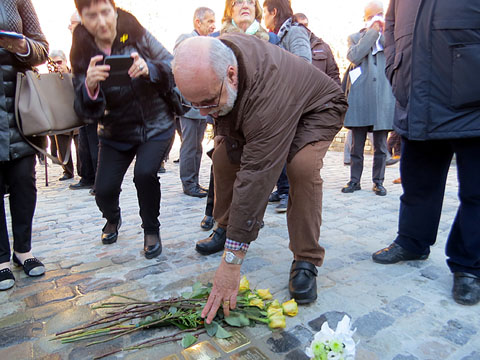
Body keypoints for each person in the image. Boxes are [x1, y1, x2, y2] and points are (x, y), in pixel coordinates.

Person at [173, 35, 347, 321]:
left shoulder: (267, 95)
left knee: (301, 167)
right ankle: (225, 227)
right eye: (194, 104)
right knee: (222, 157)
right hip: (264, 106)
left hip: (316, 109)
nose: (203, 113)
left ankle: (305, 258)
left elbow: (257, 176)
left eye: (207, 102)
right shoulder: (214, 57)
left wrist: (232, 262)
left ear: (231, 75)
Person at [372, 0, 480, 306]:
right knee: (418, 182)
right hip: (417, 96)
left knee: (476, 192)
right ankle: (412, 241)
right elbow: (391, 28)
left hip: (474, 99)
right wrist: (395, 67)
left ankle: (469, 265)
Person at [71, 0, 174, 259]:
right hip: (115, 131)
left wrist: (149, 68)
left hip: (155, 124)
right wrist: (90, 87)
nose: (102, 21)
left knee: (145, 174)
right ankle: (112, 218)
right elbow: (81, 106)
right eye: (92, 16)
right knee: (103, 190)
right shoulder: (82, 47)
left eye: (106, 12)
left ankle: (151, 229)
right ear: (82, 18)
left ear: (114, 10)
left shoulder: (135, 31)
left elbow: (172, 64)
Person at [196, 0, 278, 246]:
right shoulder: (217, 40)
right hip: (230, 119)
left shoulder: (271, 40)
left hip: (263, 118)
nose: (245, 5)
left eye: (250, 1)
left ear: (257, 8)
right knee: (221, 163)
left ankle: (247, 222)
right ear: (229, 9)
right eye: (238, 1)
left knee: (256, 170)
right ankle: (222, 226)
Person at [0, 0, 48, 291]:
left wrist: (19, 47)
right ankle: (1, 259)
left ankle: (23, 250)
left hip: (20, 110)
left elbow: (41, 47)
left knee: (23, 182)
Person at [340, 1, 394, 197]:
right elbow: (354, 56)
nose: (377, 18)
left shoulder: (389, 37)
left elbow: (394, 54)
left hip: (382, 99)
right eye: (372, 15)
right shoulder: (354, 37)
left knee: (380, 146)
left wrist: (384, 31)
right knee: (357, 146)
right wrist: (371, 33)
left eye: (380, 14)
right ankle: (355, 181)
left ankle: (378, 182)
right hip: (361, 98)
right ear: (365, 19)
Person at [263, 0, 312, 213]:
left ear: (274, 11)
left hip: (291, 102)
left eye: (265, 12)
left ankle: (288, 193)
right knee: (278, 150)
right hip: (279, 102)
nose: (263, 17)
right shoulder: (278, 35)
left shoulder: (294, 32)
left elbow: (304, 64)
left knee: (289, 150)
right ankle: (282, 188)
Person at [175, 7, 216, 198]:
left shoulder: (207, 41)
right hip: (189, 104)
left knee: (197, 145)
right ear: (197, 22)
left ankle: (194, 181)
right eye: (209, 21)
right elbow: (178, 68)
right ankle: (189, 183)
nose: (212, 25)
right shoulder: (186, 39)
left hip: (200, 104)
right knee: (190, 144)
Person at [68, 11, 99, 195]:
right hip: (86, 94)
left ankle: (95, 179)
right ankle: (88, 177)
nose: (70, 27)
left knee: (93, 140)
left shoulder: (83, 32)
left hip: (89, 94)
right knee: (86, 140)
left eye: (70, 23)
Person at [49, 50, 80, 182]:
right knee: (62, 149)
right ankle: (67, 171)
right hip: (60, 120)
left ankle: (84, 172)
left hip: (77, 117)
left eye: (59, 62)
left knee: (81, 149)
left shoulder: (75, 74)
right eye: (53, 63)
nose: (57, 65)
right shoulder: (50, 80)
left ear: (65, 61)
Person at [293, 12, 340, 85]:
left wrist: (338, 95)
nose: (304, 28)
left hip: (320, 93)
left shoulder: (323, 46)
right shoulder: (286, 45)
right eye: (300, 25)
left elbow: (333, 75)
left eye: (305, 25)